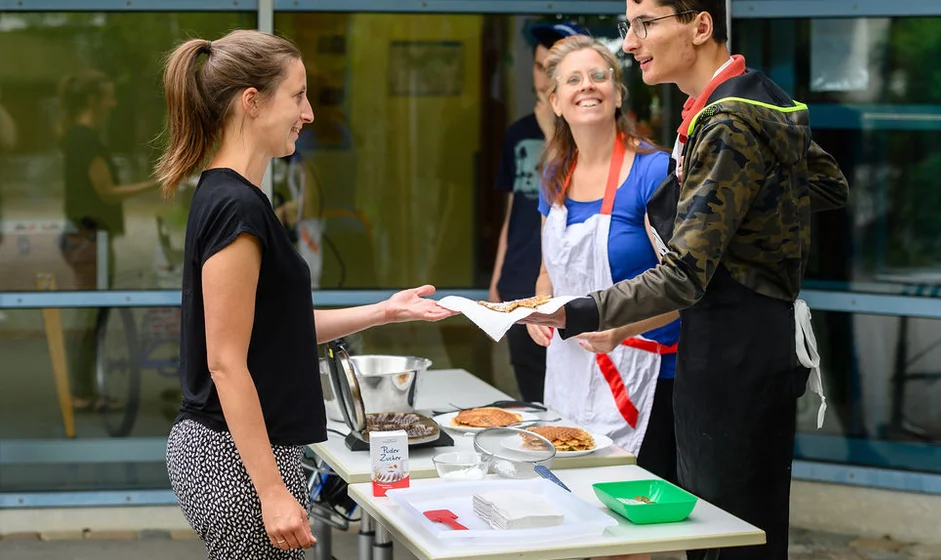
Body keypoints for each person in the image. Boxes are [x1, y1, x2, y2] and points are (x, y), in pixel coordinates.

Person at [522, 2, 850, 559]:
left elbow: (682, 275)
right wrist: (742, 222)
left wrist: (573, 311)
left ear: (700, 27)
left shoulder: (728, 120)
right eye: (629, 27)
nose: (630, 43)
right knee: (727, 530)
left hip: (732, 353)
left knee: (724, 537)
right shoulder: (740, 101)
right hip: (738, 347)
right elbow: (824, 184)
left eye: (645, 24)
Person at [156, 30, 453, 559]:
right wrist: (272, 492)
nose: (309, 113)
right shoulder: (236, 206)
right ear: (252, 101)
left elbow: (276, 329)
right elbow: (225, 362)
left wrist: (385, 311)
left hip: (240, 454)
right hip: (233, 460)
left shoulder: (236, 197)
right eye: (297, 96)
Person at [527, 35, 681, 482]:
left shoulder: (653, 171)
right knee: (572, 500)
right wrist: (539, 308)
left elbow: (688, 285)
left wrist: (622, 328)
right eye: (573, 80)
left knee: (629, 512)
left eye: (598, 76)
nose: (587, 86)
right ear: (555, 102)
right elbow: (547, 272)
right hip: (571, 372)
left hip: (649, 376)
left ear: (617, 93)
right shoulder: (554, 174)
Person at [489, 21, 584, 403]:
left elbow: (575, 193)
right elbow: (514, 208)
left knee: (569, 403)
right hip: (520, 282)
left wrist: (550, 132)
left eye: (553, 68)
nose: (544, 79)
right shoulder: (517, 133)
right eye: (539, 66)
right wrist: (498, 276)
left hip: (567, 291)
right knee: (530, 398)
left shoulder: (587, 132)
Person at [57, 70, 158, 411]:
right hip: (90, 238)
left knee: (91, 313)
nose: (113, 104)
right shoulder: (86, 140)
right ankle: (82, 392)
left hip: (85, 236)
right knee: (89, 315)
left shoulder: (78, 137)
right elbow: (107, 192)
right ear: (93, 100)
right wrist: (155, 184)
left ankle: (85, 389)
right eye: (109, 97)